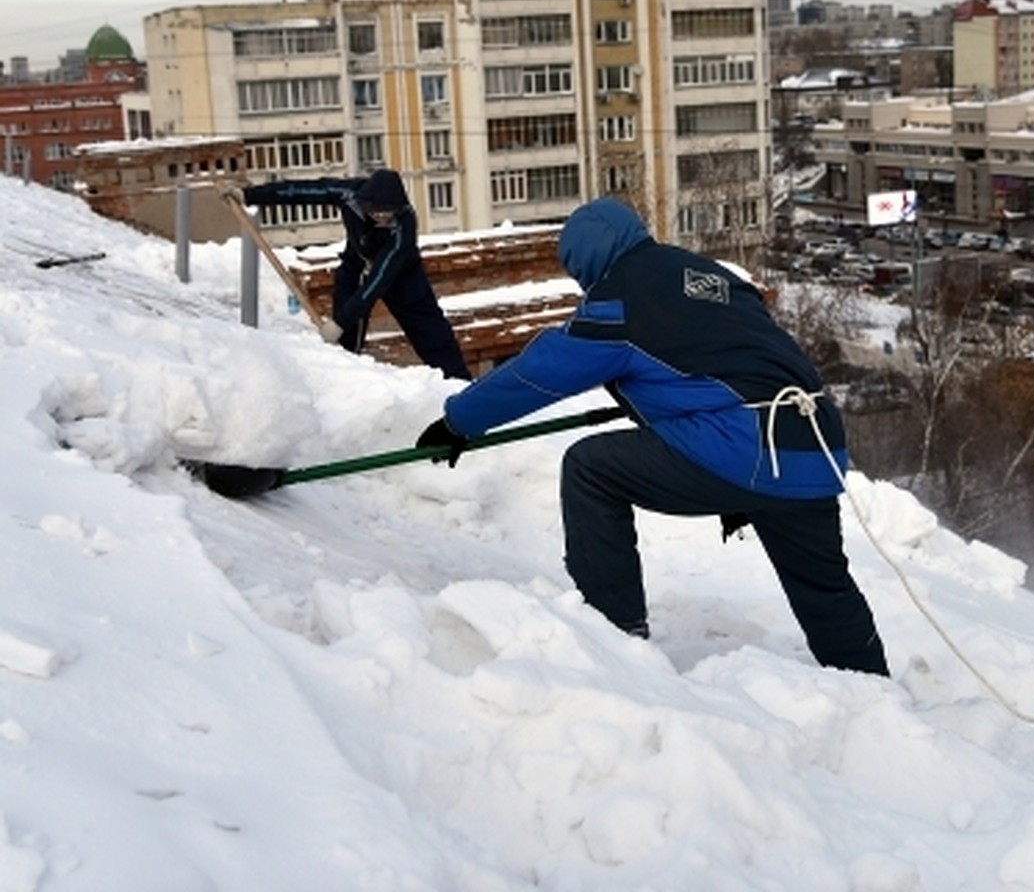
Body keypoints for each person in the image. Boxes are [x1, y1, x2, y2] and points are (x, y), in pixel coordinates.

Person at [417, 197, 888, 676]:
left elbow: (540, 373)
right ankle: (873, 690)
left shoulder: (619, 302)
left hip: (745, 446)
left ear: (587, 260)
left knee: (590, 469)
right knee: (823, 586)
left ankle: (612, 634)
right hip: (814, 442)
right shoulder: (709, 275)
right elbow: (735, 362)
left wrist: (459, 421)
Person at [242, 169, 470, 381]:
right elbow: (300, 191)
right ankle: (347, 383)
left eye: (389, 213)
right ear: (367, 204)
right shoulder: (349, 194)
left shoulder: (403, 227)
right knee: (345, 340)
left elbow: (378, 281)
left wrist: (339, 322)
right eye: (378, 213)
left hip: (401, 276)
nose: (384, 218)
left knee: (432, 336)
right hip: (356, 263)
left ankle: (459, 385)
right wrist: (249, 195)